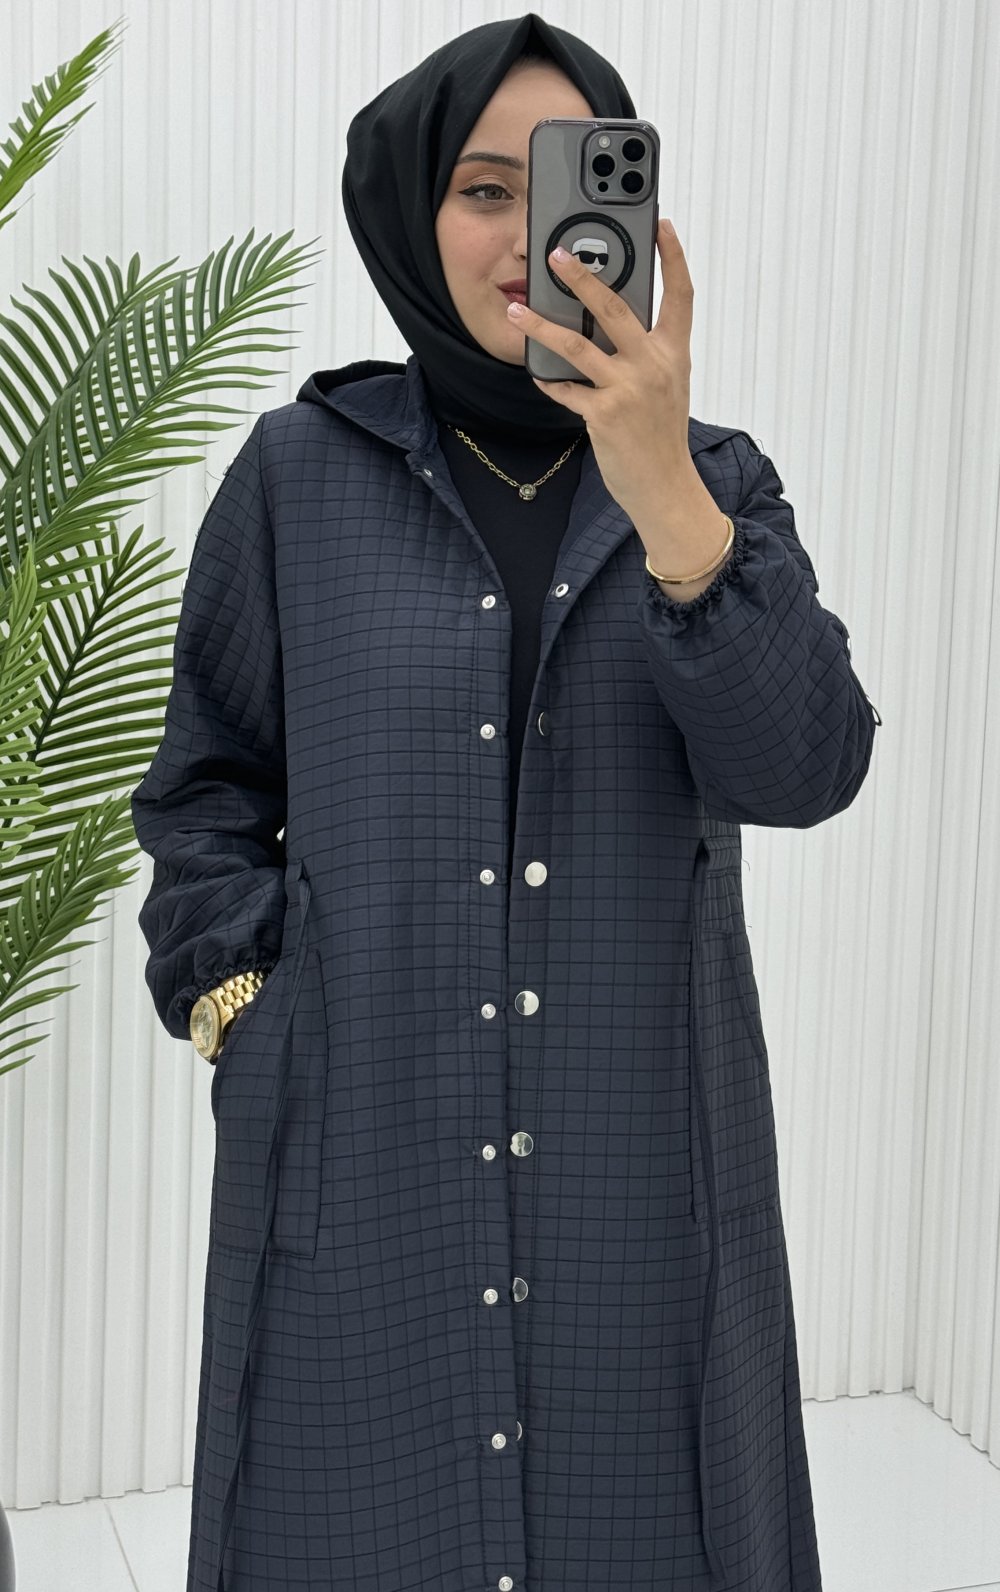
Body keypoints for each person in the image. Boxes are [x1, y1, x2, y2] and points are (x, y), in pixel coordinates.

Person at [131, 13, 879, 1592]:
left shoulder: (720, 486)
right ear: (415, 215)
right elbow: (206, 786)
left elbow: (808, 768)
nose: (529, 237)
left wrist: (665, 493)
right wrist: (243, 1006)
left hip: (645, 1176)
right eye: (485, 189)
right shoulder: (297, 477)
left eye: (568, 188)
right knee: (345, 1521)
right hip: (364, 1145)